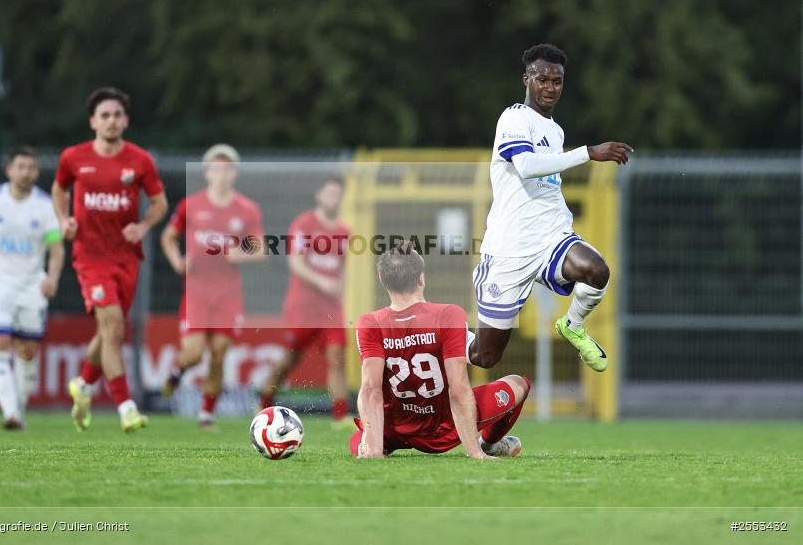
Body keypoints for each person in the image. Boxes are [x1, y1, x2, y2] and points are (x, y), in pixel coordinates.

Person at [470, 43, 633, 371]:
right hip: (510, 249)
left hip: (549, 238)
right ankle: (440, 335)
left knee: (597, 270)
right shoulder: (514, 117)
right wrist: (588, 152)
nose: (549, 87)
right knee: (485, 357)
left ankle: (572, 325)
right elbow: (527, 165)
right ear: (526, 80)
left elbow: (545, 183)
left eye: (556, 81)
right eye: (542, 79)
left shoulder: (555, 131)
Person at [52, 87, 168, 433]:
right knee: (114, 328)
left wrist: (144, 225)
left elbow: (160, 203)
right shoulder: (74, 158)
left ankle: (83, 385)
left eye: (117, 115)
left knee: (108, 333)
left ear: (126, 120)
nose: (111, 121)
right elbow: (60, 190)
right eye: (104, 115)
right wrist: (63, 219)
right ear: (92, 121)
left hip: (126, 258)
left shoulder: (140, 160)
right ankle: (126, 408)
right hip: (90, 257)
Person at [353, 241, 530, 459]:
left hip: (393, 428)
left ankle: (373, 445)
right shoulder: (449, 315)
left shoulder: (369, 322)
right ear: (421, 278)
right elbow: (459, 388)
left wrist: (374, 450)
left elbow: (371, 390)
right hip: (443, 428)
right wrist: (474, 452)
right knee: (519, 383)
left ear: (382, 279)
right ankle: (490, 444)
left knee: (359, 436)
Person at [160, 144, 265, 428]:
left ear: (234, 174)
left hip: (228, 294)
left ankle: (206, 414)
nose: (222, 174)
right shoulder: (191, 205)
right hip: (196, 293)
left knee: (219, 353)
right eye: (216, 169)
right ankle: (176, 370)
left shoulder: (246, 209)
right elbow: (168, 237)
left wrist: (241, 254)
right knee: (193, 354)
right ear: (207, 173)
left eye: (228, 169)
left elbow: (260, 249)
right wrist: (177, 261)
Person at [0, 146, 64, 429]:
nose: (26, 172)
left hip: (31, 286)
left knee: (27, 351)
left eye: (31, 167)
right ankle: (11, 414)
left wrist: (53, 277)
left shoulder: (45, 206)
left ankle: (19, 407)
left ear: (37, 172)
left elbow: (56, 248)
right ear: (9, 170)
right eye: (20, 167)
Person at [260, 176, 353, 428]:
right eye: (330, 193)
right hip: (303, 305)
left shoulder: (345, 231)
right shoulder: (304, 224)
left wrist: (340, 285)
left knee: (337, 356)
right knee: (290, 359)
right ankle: (265, 402)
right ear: (319, 196)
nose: (334, 198)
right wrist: (321, 281)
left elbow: (342, 266)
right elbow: (296, 262)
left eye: (338, 194)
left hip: (331, 306)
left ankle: (340, 415)